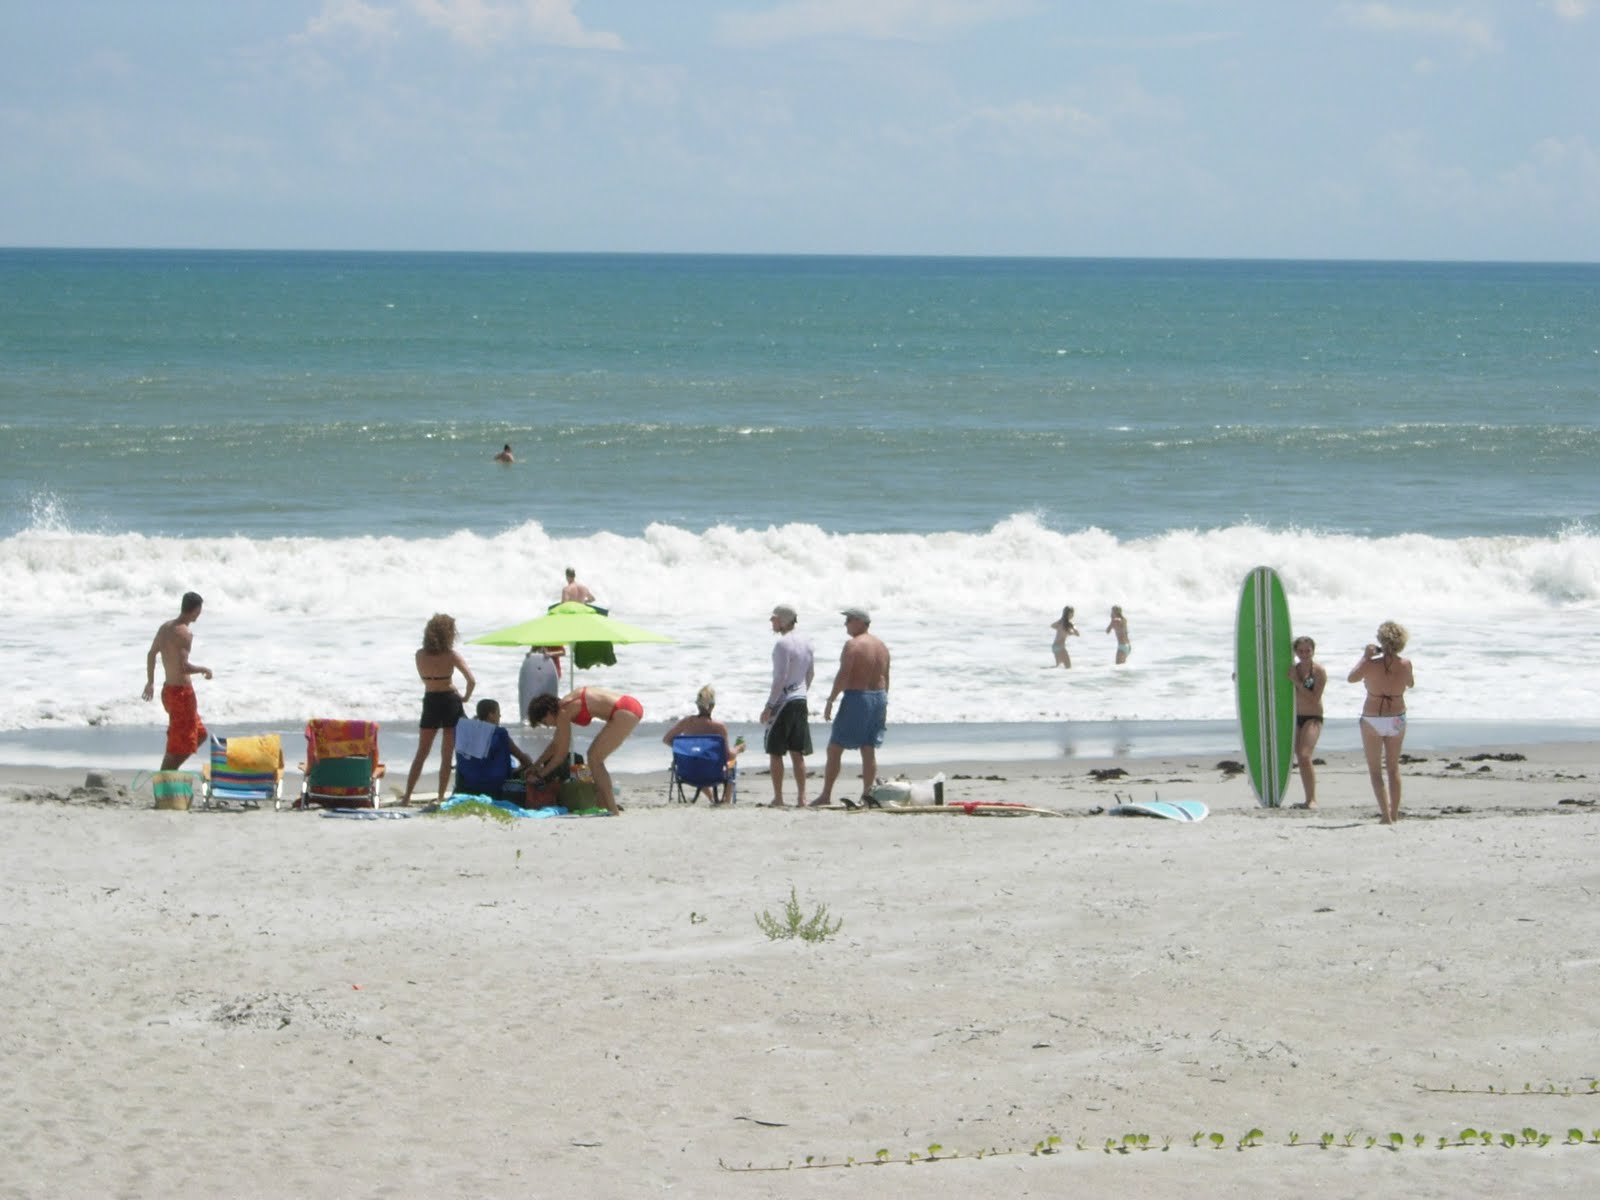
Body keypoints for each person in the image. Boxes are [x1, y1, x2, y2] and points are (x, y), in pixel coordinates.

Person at [813, 608, 890, 808]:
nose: (845, 624)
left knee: (835, 747)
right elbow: (886, 677)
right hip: (879, 697)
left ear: (860, 622)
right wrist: (885, 703)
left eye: (848, 620)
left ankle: (826, 794)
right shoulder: (882, 646)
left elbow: (843, 675)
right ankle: (867, 795)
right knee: (868, 747)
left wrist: (830, 700)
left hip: (858, 697)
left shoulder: (853, 645)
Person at [527, 686, 643, 815]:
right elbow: (555, 744)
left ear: (548, 712)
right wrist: (536, 764)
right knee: (594, 757)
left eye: (545, 722)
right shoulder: (565, 706)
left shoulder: (563, 711)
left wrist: (539, 775)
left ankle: (612, 810)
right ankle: (604, 804)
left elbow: (561, 754)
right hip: (627, 706)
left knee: (594, 758)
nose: (548, 726)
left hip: (623, 711)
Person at [401, 613, 476, 805]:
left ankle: (407, 796)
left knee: (422, 752)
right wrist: (465, 697)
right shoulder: (451, 655)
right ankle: (441, 796)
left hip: (431, 701)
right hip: (450, 701)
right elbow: (471, 680)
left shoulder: (419, 655)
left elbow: (425, 678)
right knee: (446, 754)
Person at [1347, 620, 1416, 825]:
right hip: (1396, 716)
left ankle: (1385, 815)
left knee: (1375, 769)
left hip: (1373, 718)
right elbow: (1410, 683)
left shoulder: (1370, 664)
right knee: (1393, 768)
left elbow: (1352, 678)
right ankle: (1394, 813)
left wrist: (1365, 657)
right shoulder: (1405, 664)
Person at [142, 591, 213, 770]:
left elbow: (151, 654)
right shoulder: (184, 634)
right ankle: (167, 772)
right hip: (181, 694)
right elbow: (183, 667)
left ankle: (170, 769)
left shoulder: (165, 628)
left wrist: (150, 682)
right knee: (180, 741)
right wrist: (203, 669)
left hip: (168, 691)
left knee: (200, 734)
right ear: (196, 610)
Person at [760, 603, 814, 807]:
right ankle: (802, 798)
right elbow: (810, 674)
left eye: (774, 619)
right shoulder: (807, 642)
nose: (772, 622)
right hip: (800, 700)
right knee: (797, 752)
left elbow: (780, 678)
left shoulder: (782, 644)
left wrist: (769, 706)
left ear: (783, 620)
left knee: (775, 752)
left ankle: (779, 797)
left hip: (784, 702)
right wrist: (801, 692)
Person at [661, 684, 744, 805]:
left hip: (688, 772)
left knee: (697, 760)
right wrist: (739, 748)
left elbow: (666, 739)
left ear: (697, 705)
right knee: (732, 763)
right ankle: (725, 802)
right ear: (713, 706)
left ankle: (711, 798)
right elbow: (729, 756)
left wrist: (682, 750)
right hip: (714, 773)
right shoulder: (719, 727)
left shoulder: (686, 722)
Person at [455, 698, 537, 797]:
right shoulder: (499, 733)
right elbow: (522, 759)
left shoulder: (465, 730)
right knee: (526, 759)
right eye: (498, 712)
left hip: (467, 783)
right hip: (493, 784)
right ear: (491, 715)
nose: (500, 716)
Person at [1289, 635, 1326, 808]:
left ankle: (1312, 799)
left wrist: (1296, 682)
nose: (1304, 654)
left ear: (1313, 651)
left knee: (1305, 755)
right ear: (1295, 651)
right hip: (1294, 717)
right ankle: (1307, 798)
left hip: (1313, 717)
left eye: (1308, 650)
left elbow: (1314, 698)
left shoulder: (1318, 671)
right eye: (1300, 651)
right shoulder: (1292, 669)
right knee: (1299, 757)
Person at [518, 646, 561, 725]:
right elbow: (533, 650)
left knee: (547, 699)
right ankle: (537, 719)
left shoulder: (554, 640)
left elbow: (562, 652)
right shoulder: (537, 640)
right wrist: (530, 655)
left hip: (551, 672)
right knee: (537, 698)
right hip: (537, 672)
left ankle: (549, 718)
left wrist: (550, 654)